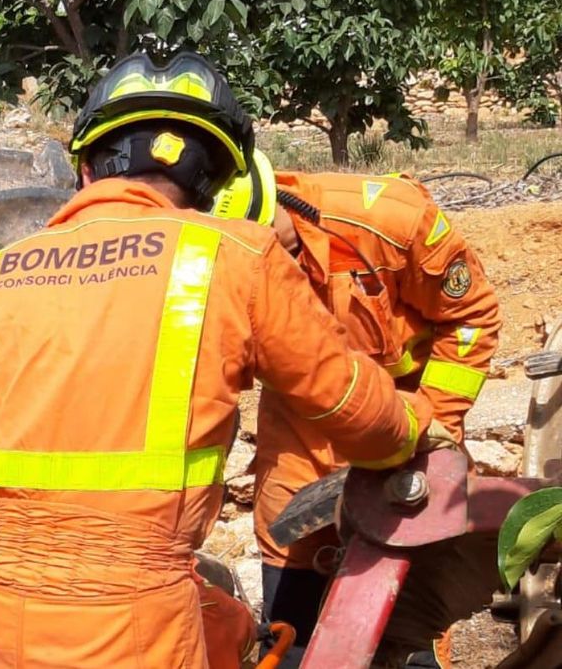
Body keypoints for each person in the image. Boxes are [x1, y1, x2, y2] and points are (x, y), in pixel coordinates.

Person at [0, 52, 444, 669]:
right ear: (211, 184)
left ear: (86, 168)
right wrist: (413, 428)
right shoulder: (232, 256)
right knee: (246, 638)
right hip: (140, 629)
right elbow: (346, 399)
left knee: (224, 618)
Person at [213, 152, 501, 667]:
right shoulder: (213, 265)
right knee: (291, 569)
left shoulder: (391, 220)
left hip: (409, 408)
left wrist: (434, 419)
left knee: (414, 568)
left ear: (278, 201)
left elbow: (472, 317)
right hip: (302, 418)